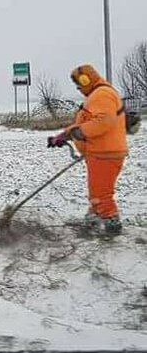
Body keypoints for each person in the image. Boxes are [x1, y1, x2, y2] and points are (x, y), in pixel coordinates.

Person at [48, 64, 127, 235]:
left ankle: (112, 226)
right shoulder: (98, 95)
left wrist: (79, 132)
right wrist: (64, 135)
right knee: (97, 190)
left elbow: (104, 122)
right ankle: (92, 221)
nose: (78, 89)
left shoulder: (102, 95)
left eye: (78, 85)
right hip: (100, 152)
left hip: (106, 154)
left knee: (101, 194)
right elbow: (87, 122)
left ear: (86, 80)